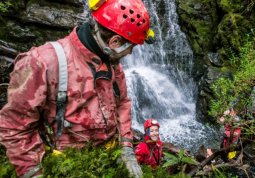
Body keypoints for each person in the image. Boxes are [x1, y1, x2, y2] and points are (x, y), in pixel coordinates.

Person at [0, 0, 154, 177]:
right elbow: (14, 128)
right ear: (114, 41)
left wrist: (126, 147)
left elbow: (122, 104)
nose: (130, 54)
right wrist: (33, 173)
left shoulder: (111, 62)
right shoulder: (42, 62)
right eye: (131, 48)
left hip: (109, 157)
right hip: (63, 165)